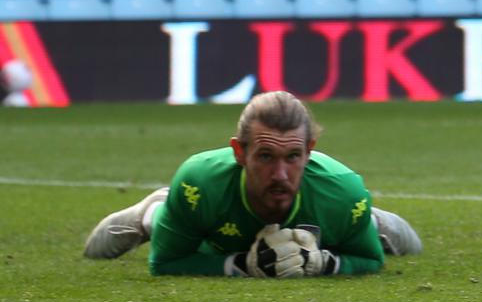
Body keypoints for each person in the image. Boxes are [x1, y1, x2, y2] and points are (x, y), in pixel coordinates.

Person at [84, 90, 422, 277]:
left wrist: (328, 263)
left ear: (309, 153)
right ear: (239, 152)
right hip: (204, 221)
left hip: (337, 204)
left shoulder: (343, 190)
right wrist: (240, 266)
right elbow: (164, 264)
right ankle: (154, 209)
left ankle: (368, 219)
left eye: (293, 157)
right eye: (265, 157)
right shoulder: (199, 184)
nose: (279, 174)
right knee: (104, 248)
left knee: (406, 243)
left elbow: (372, 261)